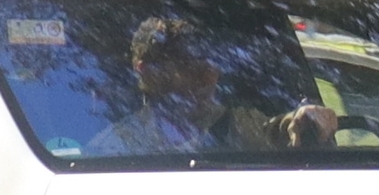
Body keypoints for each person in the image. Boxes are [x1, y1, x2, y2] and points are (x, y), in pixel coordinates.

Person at [85, 14, 337, 156]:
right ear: (150, 73)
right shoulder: (114, 148)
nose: (207, 78)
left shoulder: (238, 124)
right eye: (190, 68)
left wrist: (304, 120)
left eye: (211, 66)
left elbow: (275, 132)